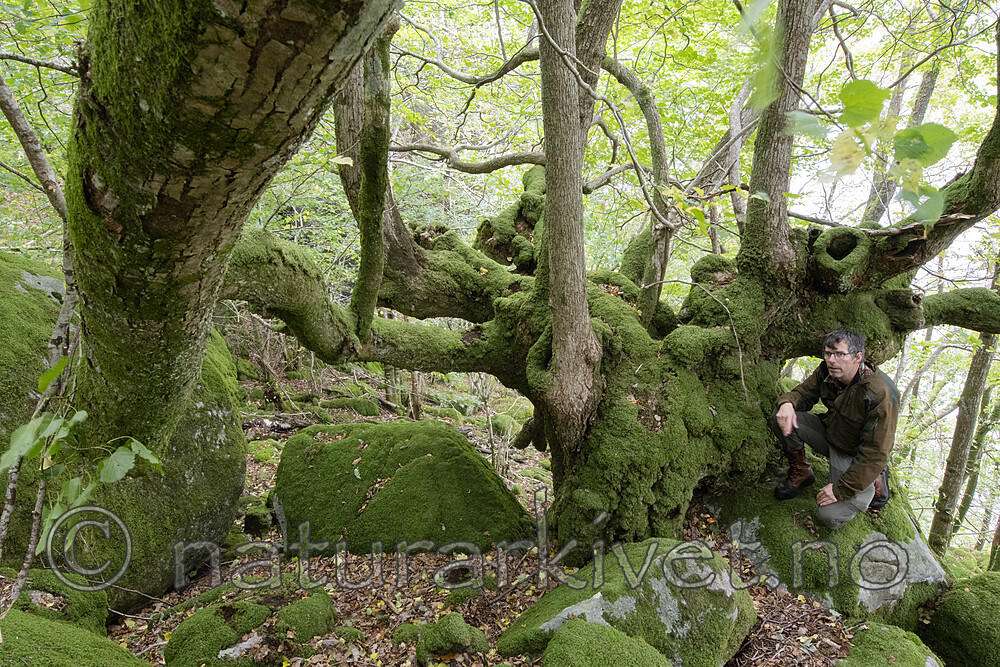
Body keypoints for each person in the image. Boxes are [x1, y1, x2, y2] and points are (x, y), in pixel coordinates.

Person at [771, 330, 898, 529]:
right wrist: (787, 403)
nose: (831, 360)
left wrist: (839, 490)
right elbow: (803, 394)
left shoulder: (880, 393)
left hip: (857, 453)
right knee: (781, 415)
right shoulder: (827, 372)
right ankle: (802, 471)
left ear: (858, 357)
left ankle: (877, 476)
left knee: (830, 517)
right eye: (828, 353)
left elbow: (875, 453)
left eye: (839, 354)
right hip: (832, 433)